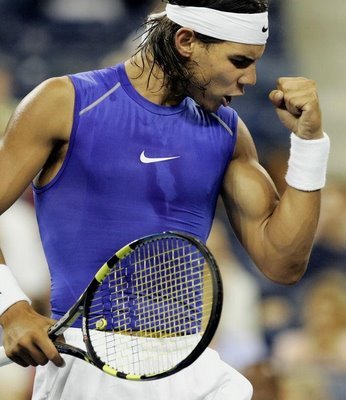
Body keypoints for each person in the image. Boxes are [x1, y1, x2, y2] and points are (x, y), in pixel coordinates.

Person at [0, 1, 330, 399]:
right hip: (88, 370)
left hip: (190, 365)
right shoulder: (65, 102)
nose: (250, 80)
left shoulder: (228, 132)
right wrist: (11, 309)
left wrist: (309, 143)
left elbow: (283, 263)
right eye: (240, 60)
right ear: (186, 40)